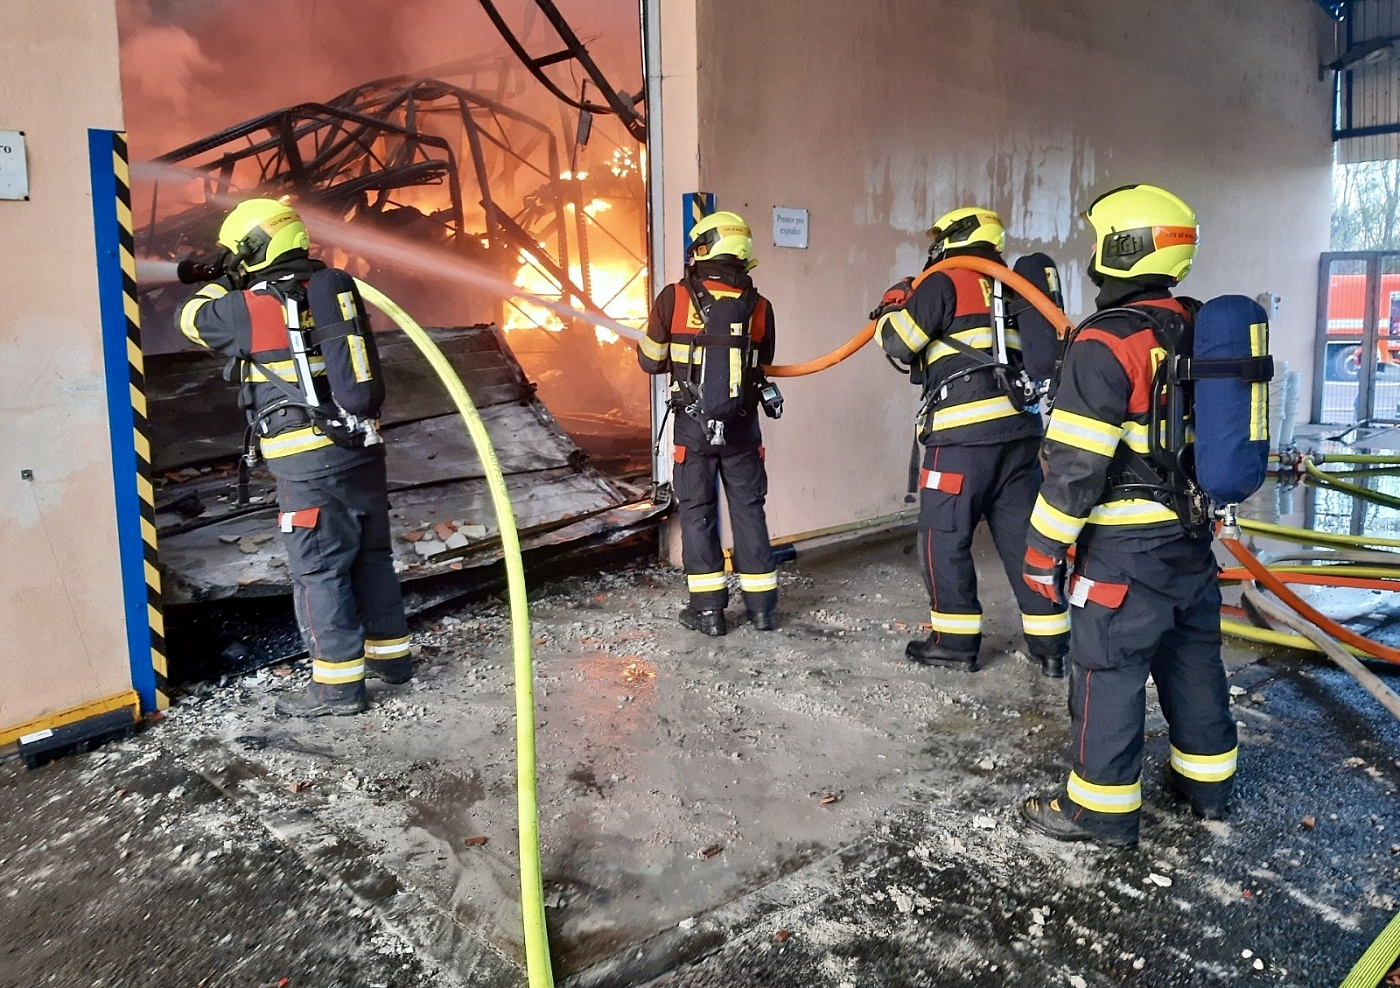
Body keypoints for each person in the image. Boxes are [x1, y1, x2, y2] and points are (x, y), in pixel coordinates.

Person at [1020, 184, 1237, 847]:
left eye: (1098, 240)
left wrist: (1042, 550)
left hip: (1123, 553)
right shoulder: (1201, 326)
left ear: (1123, 247)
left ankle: (1099, 811)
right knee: (1193, 660)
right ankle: (1207, 785)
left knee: (1107, 670)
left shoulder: (1108, 341)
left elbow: (1075, 468)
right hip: (1190, 539)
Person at [176, 198, 411, 717]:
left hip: (307, 465)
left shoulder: (250, 307)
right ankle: (393, 661)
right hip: (361, 450)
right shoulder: (331, 291)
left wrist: (221, 277)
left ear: (252, 250)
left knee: (320, 572)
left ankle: (337, 689)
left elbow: (189, 319)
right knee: (371, 558)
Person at [873, 207, 1069, 676]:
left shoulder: (944, 280)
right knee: (1024, 541)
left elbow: (899, 343)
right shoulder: (1014, 284)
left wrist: (890, 307)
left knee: (943, 538)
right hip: (1019, 436)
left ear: (952, 239)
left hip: (961, 441)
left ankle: (955, 644)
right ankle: (1051, 647)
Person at [637, 210, 780, 637]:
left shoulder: (673, 298)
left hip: (693, 428)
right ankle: (762, 611)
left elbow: (650, 361)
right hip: (742, 428)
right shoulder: (760, 306)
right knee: (749, 513)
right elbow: (764, 362)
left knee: (698, 513)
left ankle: (708, 613)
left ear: (702, 249)